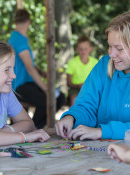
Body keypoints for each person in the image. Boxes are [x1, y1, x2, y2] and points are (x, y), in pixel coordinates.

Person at [55, 11, 130, 141]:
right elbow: (86, 105)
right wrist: (71, 118)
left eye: (119, 48)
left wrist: (101, 132)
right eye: (109, 46)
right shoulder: (104, 65)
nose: (111, 54)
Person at [0, 39, 50, 147]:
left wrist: (0, 132)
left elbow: (28, 123)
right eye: (7, 70)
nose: (13, 75)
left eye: (13, 69)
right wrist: (24, 137)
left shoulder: (5, 94)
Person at [8, 9, 65, 129]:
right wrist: (46, 89)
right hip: (18, 86)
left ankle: (32, 128)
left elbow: (27, 63)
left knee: (60, 97)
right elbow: (29, 68)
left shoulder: (20, 38)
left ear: (15, 21)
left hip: (27, 84)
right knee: (49, 100)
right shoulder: (18, 39)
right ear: (28, 22)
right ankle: (31, 129)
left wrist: (39, 71)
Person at [66, 36, 98, 106]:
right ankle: (73, 116)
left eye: (85, 49)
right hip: (75, 89)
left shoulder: (95, 62)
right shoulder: (72, 62)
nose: (83, 51)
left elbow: (98, 80)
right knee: (74, 99)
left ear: (90, 49)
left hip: (91, 89)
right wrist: (78, 85)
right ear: (77, 49)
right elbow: (68, 82)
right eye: (80, 49)